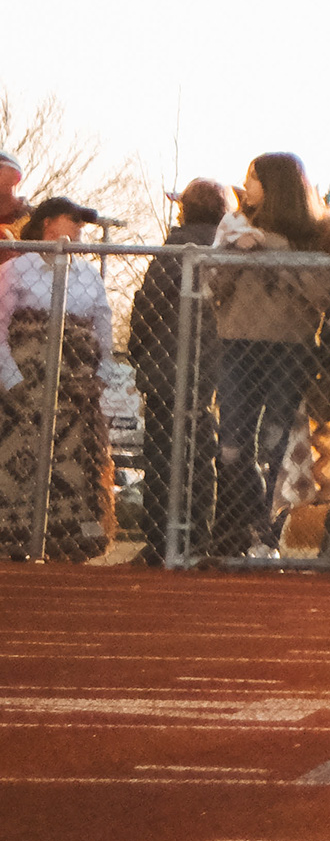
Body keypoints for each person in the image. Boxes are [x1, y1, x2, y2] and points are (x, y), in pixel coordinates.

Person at [207, 155, 330, 559]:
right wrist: (237, 251)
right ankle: (239, 532)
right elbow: (211, 286)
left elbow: (321, 294)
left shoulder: (314, 235)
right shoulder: (234, 226)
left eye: (253, 178)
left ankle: (266, 538)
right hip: (237, 346)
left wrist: (274, 249)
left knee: (276, 445)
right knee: (231, 447)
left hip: (290, 350)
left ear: (276, 186)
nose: (245, 185)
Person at [0, 201, 115, 562]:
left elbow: (104, 330)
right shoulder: (16, 270)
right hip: (20, 396)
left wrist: (101, 376)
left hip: (74, 395)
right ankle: (12, 537)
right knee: (16, 461)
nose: (80, 227)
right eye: (73, 219)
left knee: (76, 466)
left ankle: (72, 539)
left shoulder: (89, 275)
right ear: (47, 223)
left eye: (83, 222)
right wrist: (12, 380)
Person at [124, 179, 228, 563]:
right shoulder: (227, 250)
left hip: (166, 369)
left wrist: (138, 352)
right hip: (215, 369)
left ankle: (160, 540)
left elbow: (147, 305)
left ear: (185, 210)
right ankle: (196, 536)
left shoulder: (174, 250)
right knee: (201, 457)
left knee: (161, 456)